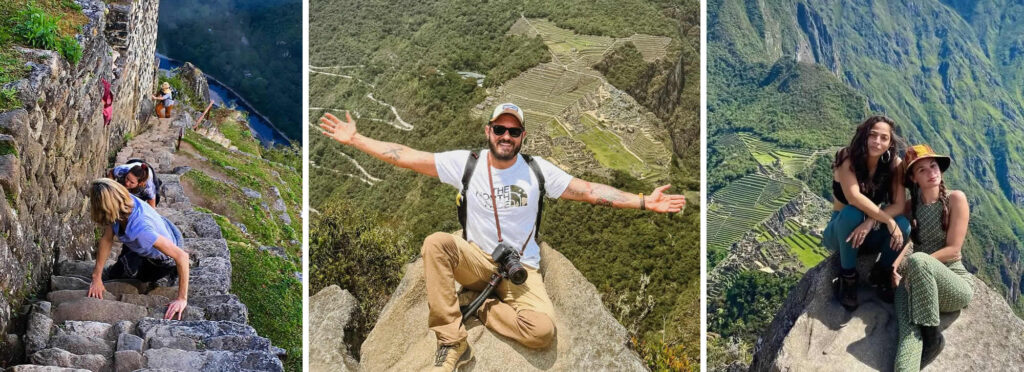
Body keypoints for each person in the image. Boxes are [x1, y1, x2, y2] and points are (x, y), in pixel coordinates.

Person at [318, 103, 686, 372]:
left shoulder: (538, 172)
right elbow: (408, 157)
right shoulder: (468, 164)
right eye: (500, 129)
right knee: (435, 243)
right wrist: (357, 140)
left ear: (522, 137)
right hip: (476, 260)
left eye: (513, 131)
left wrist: (643, 201)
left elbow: (588, 190)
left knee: (542, 332)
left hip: (520, 269)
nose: (506, 137)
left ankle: (481, 306)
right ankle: (452, 340)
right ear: (488, 131)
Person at [892, 144, 972, 371]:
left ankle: (932, 337)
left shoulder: (955, 199)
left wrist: (914, 266)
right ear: (913, 179)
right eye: (922, 170)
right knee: (907, 332)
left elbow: (954, 250)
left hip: (953, 286)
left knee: (917, 260)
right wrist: (895, 266)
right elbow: (907, 235)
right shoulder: (912, 206)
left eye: (933, 166)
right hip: (918, 282)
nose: (931, 172)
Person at [822, 116, 911, 311]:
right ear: (864, 135)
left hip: (866, 233)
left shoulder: (894, 165)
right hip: (840, 230)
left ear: (890, 143)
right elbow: (854, 197)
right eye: (873, 135)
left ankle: (881, 273)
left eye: (884, 138)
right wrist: (886, 219)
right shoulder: (847, 157)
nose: (877, 142)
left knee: (903, 225)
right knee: (853, 212)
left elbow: (899, 204)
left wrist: (871, 221)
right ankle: (848, 279)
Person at [86, 178, 189, 320]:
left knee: (140, 279)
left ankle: (170, 274)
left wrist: (182, 299)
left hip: (161, 257)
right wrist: (96, 277)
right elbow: (107, 238)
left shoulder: (141, 231)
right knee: (117, 271)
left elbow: (182, 256)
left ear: (105, 208)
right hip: (152, 234)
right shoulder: (121, 202)